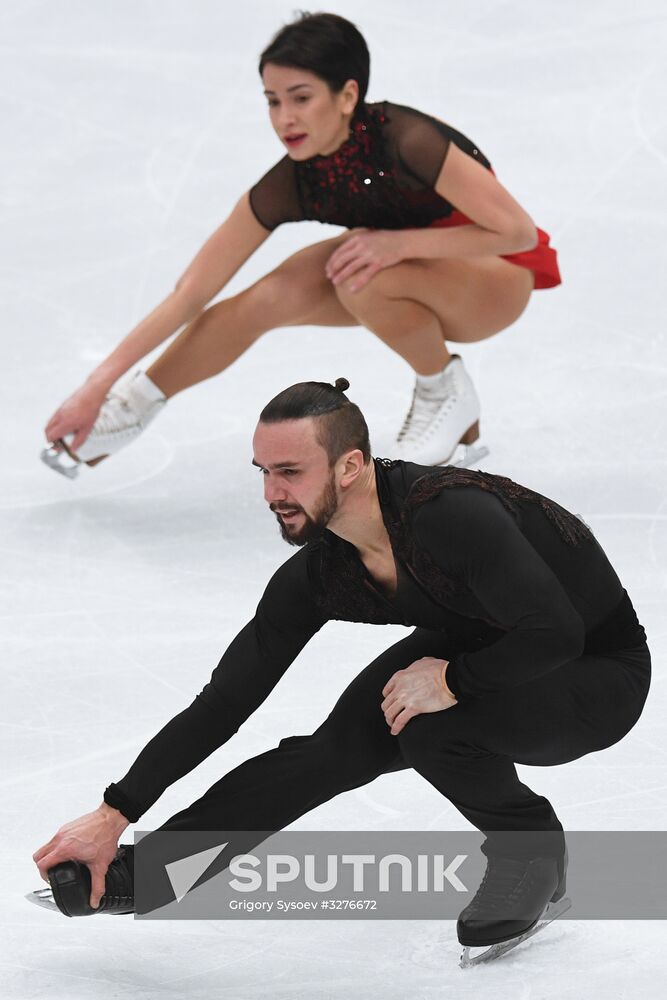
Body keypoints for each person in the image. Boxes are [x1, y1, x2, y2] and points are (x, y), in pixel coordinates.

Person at [33, 379, 650, 961]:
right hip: (476, 644)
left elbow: (557, 632)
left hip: (595, 671)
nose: (272, 493)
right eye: (265, 473)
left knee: (425, 723)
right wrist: (116, 812)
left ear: (350, 466)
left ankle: (528, 848)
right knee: (333, 750)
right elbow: (224, 703)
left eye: (291, 472)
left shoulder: (448, 514)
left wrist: (453, 682)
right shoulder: (323, 572)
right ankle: (151, 874)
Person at [42, 11, 561, 480]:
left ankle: (442, 390)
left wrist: (397, 245)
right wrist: (98, 386)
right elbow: (191, 292)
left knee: (361, 269)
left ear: (348, 96)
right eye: (273, 100)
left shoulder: (409, 141)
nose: (284, 117)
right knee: (268, 296)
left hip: (497, 277)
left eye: (301, 97)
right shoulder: (294, 181)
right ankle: (133, 408)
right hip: (405, 264)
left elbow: (516, 231)